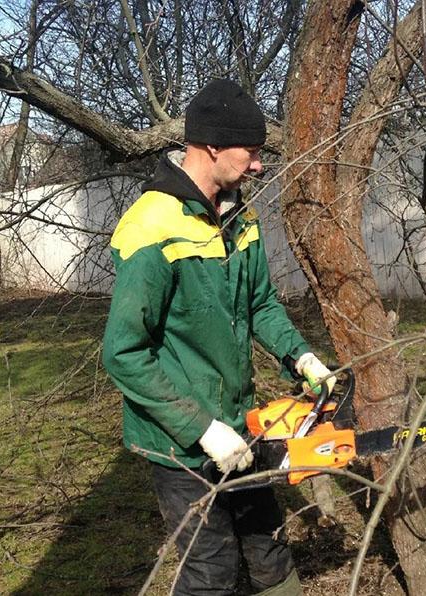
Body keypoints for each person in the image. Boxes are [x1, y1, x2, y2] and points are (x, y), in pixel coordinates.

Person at [102, 79, 334, 596]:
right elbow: (123, 353)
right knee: (211, 571)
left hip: (240, 420)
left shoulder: (239, 217)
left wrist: (301, 356)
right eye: (249, 153)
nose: (257, 165)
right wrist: (201, 427)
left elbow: (260, 303)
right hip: (179, 439)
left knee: (268, 544)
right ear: (210, 147)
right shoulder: (152, 228)